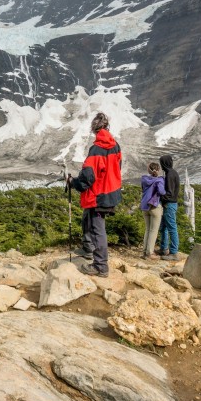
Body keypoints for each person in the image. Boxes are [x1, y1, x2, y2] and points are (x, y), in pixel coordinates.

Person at [67, 111, 122, 277]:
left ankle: (100, 266)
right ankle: (90, 251)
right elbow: (116, 169)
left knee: (98, 229)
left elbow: (88, 177)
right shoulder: (115, 146)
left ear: (94, 129)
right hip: (110, 192)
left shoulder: (96, 149)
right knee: (94, 225)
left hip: (98, 195)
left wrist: (74, 182)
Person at [157, 155, 182, 261]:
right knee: (164, 227)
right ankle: (163, 248)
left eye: (161, 163)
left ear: (164, 163)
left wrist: (161, 198)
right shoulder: (171, 173)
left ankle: (174, 252)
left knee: (171, 228)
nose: (161, 166)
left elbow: (169, 193)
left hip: (169, 204)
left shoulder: (170, 175)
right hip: (170, 204)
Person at [140, 162, 165, 260]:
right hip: (155, 206)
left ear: (148, 170)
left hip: (145, 205)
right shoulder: (159, 180)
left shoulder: (144, 179)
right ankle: (150, 253)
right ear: (158, 170)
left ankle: (144, 252)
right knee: (153, 230)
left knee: (147, 229)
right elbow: (162, 192)